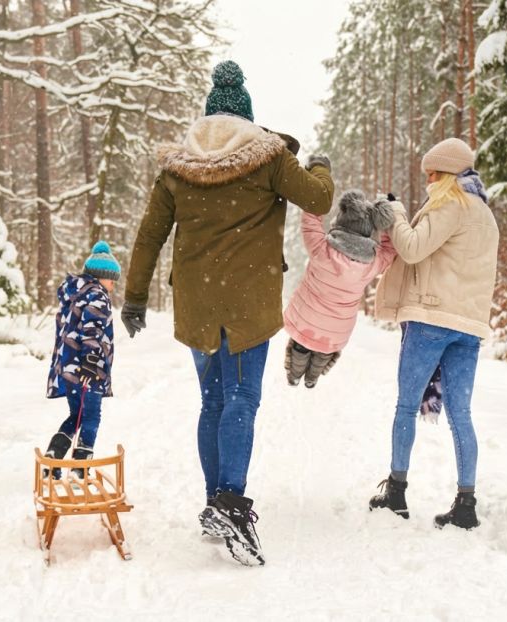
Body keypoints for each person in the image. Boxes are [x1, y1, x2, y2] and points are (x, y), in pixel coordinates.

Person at [121, 60, 335, 566]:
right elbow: (319, 198)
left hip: (197, 301)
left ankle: (215, 502)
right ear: (247, 116)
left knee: (212, 403)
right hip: (247, 302)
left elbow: (150, 235)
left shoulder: (178, 168)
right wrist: (320, 164)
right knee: (241, 398)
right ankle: (232, 505)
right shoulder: (269, 158)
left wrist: (133, 297)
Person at [368, 137, 499, 530]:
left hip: (431, 318)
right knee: (461, 413)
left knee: (406, 406)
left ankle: (396, 491)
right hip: (469, 326)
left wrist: (396, 213)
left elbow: (410, 248)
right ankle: (466, 503)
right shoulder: (486, 215)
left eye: (432, 174)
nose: (428, 180)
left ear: (447, 175)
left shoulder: (451, 205)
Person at [282, 189, 397, 388]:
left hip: (306, 319)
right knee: (323, 350)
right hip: (336, 330)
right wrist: (387, 223)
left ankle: (294, 375)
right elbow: (390, 250)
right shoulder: (373, 262)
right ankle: (312, 378)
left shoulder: (322, 248)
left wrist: (319, 188)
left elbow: (310, 222)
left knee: (301, 345)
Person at [44, 241, 119, 479]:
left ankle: (54, 457)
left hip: (69, 368)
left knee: (76, 415)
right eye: (112, 280)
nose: (113, 285)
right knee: (91, 416)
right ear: (100, 276)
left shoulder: (76, 295)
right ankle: (79, 467)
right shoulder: (98, 295)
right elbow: (93, 327)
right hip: (88, 368)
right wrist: (90, 359)